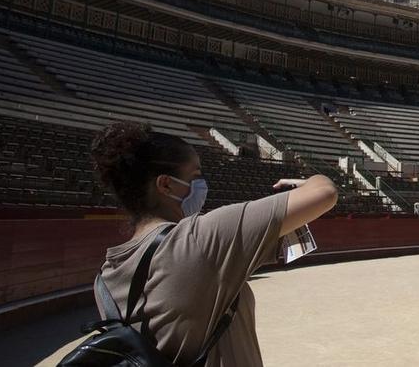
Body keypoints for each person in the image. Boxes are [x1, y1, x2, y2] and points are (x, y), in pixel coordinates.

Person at [89, 121, 338, 365]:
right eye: (195, 175)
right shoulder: (201, 238)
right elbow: (325, 192)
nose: (201, 184)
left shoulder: (105, 279)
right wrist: (311, 180)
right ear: (165, 184)